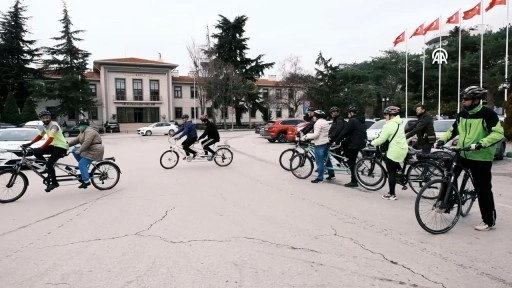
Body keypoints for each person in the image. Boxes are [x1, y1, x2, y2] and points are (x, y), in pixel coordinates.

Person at [436, 86, 504, 231]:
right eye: (463, 99)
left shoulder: (488, 114)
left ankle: (488, 221)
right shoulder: (462, 114)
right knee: (449, 175)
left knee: (483, 189)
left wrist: (481, 144)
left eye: (466, 99)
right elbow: (452, 130)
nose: (463, 101)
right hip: (463, 153)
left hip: (481, 157)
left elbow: (498, 134)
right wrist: (442, 140)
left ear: (476, 100)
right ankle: (445, 202)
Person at [21, 110, 69, 192]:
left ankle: (54, 183)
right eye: (43, 118)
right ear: (40, 119)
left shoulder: (54, 126)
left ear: (50, 117)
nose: (45, 119)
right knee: (35, 152)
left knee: (50, 163)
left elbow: (51, 138)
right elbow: (40, 136)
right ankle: (47, 167)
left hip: (61, 147)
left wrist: (42, 147)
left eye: (47, 117)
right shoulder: (45, 126)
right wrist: (29, 144)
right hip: (54, 146)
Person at [370, 106, 408, 200]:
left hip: (394, 151)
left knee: (391, 173)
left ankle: (392, 194)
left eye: (386, 114)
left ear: (391, 115)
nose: (384, 116)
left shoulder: (389, 125)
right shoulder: (399, 123)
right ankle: (401, 176)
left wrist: (372, 142)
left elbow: (382, 139)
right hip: (402, 149)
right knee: (395, 166)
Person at [334, 106, 367, 187]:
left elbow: (344, 132)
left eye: (348, 113)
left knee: (351, 162)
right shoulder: (361, 120)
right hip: (361, 143)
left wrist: (336, 141)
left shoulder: (352, 120)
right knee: (345, 145)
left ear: (351, 113)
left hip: (354, 144)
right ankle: (347, 160)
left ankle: (354, 181)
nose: (348, 115)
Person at [67, 119, 105, 189]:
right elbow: (76, 140)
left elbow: (87, 142)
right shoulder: (82, 132)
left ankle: (86, 181)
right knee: (74, 150)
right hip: (89, 149)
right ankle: (84, 168)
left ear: (85, 126)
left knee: (81, 164)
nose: (79, 127)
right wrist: (66, 145)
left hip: (95, 150)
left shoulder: (90, 131)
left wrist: (80, 150)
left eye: (80, 126)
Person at [302, 110, 335, 183]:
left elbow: (316, 134)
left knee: (319, 162)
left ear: (316, 116)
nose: (313, 117)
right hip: (326, 142)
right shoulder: (325, 122)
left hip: (320, 144)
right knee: (327, 159)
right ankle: (331, 174)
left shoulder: (318, 123)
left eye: (314, 116)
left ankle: (320, 178)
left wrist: (306, 136)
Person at [327, 106, 346, 180]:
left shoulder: (339, 119)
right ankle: (331, 171)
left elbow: (338, 129)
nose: (332, 113)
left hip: (337, 139)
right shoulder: (335, 119)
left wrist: (331, 137)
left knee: (334, 153)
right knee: (333, 153)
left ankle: (336, 165)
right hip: (334, 139)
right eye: (331, 112)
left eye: (334, 112)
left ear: (337, 112)